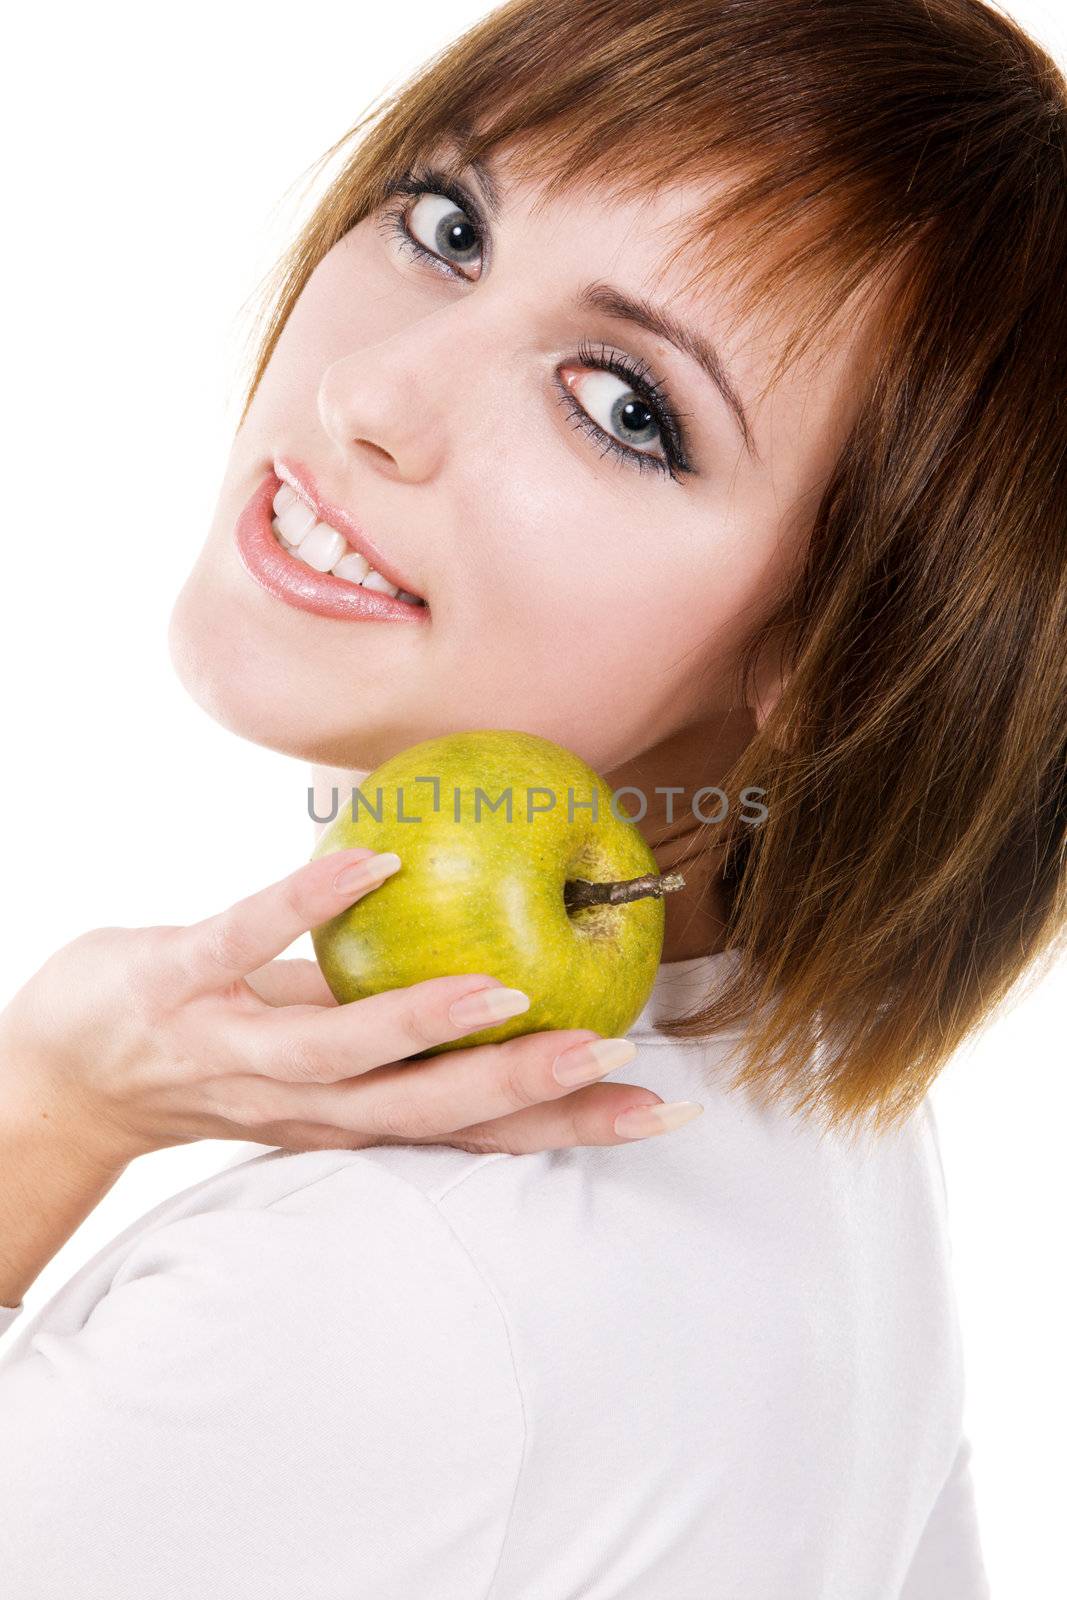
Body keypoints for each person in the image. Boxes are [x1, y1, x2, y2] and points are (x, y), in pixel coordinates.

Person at [2, 0, 1063, 1592]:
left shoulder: (375, 1289)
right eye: (447, 226)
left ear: (841, 655)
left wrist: (42, 1107)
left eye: (627, 408)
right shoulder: (809, 1111)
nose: (374, 399)